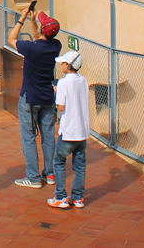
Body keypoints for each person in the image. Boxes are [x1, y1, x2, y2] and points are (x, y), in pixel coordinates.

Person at [8, 8, 62, 188]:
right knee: (48, 136)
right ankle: (50, 173)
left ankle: (33, 177)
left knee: (29, 137)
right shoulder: (56, 46)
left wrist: (22, 19)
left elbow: (11, 39)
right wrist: (35, 23)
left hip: (29, 98)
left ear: (41, 30)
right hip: (47, 97)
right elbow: (40, 39)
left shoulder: (30, 49)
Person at [48, 50, 90, 209]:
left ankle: (61, 197)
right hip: (82, 132)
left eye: (64, 63)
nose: (62, 65)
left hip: (68, 132)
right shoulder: (83, 80)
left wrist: (56, 91)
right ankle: (78, 198)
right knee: (80, 166)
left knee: (58, 163)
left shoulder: (63, 83)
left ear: (69, 65)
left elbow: (61, 106)